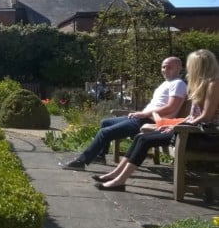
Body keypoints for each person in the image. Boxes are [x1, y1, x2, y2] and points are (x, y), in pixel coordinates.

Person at [93, 49, 219, 191]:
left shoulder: (213, 84)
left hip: (205, 135)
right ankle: (115, 175)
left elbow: (206, 117)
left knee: (145, 140)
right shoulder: (201, 85)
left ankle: (120, 181)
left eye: (191, 66)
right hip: (190, 130)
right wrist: (175, 124)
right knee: (141, 136)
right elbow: (194, 116)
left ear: (198, 66)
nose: (188, 69)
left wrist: (178, 127)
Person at [60, 56, 187, 170]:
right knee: (106, 122)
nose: (165, 69)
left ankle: (81, 161)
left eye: (169, 67)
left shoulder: (178, 84)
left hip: (151, 121)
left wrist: (144, 114)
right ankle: (99, 156)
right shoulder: (167, 83)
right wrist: (140, 113)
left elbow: (171, 107)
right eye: (163, 67)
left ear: (179, 68)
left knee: (105, 132)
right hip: (143, 117)